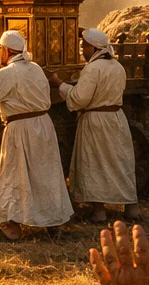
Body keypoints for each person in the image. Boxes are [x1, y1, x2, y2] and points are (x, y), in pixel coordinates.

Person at [0, 30, 74, 240]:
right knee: (45, 175)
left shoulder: (6, 73)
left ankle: (11, 229)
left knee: (12, 176)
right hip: (43, 125)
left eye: (0, 48)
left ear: (6, 51)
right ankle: (53, 223)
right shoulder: (35, 69)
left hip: (20, 129)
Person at [46, 29, 139, 224]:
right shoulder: (117, 66)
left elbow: (79, 98)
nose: (82, 49)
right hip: (116, 119)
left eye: (84, 46)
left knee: (96, 164)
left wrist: (59, 83)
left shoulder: (93, 69)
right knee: (121, 163)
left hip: (96, 122)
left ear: (95, 48)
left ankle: (99, 213)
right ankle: (132, 209)